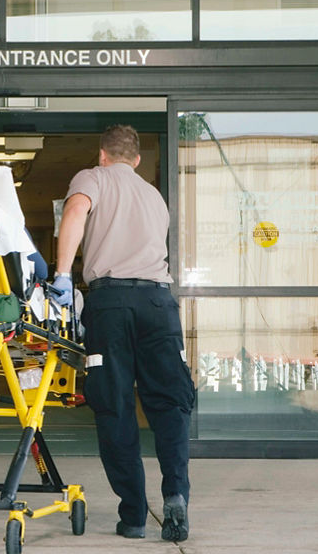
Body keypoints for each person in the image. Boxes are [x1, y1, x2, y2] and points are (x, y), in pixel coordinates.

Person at [52, 124, 195, 543]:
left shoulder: (91, 178)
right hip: (158, 303)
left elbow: (76, 212)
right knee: (170, 403)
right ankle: (176, 496)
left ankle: (133, 515)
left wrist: (63, 274)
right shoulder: (154, 195)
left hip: (111, 303)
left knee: (114, 406)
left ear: (102, 155)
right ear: (135, 159)